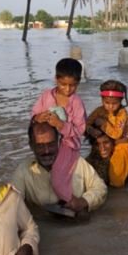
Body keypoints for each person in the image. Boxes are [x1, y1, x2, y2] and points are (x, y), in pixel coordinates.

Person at [9, 120, 107, 217]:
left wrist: (83, 201)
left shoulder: (76, 162)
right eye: (40, 146)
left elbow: (101, 188)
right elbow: (12, 204)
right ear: (31, 145)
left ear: (59, 142)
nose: (46, 151)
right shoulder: (24, 170)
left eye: (51, 144)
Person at [31, 58, 87, 203]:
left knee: (58, 179)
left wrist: (61, 125)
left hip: (68, 144)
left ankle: (72, 201)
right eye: (64, 84)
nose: (68, 89)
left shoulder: (77, 102)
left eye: (72, 85)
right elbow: (34, 115)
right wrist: (38, 117)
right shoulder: (46, 96)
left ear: (79, 83)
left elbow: (80, 129)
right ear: (56, 79)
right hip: (49, 142)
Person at [85, 79, 128, 187]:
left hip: (121, 146)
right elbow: (87, 123)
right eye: (107, 103)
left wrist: (103, 123)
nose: (110, 107)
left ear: (120, 101)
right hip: (107, 143)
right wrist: (91, 130)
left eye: (114, 104)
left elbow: (116, 134)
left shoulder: (122, 114)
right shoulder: (100, 110)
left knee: (116, 181)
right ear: (102, 100)